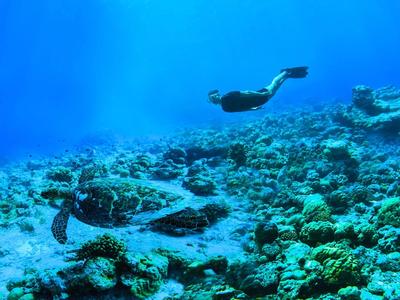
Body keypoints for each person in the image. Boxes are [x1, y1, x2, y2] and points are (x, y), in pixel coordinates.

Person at [208, 66, 308, 112]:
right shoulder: (225, 109)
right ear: (212, 101)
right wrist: (252, 109)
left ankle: (285, 72)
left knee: (273, 85)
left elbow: (246, 93)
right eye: (212, 98)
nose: (214, 97)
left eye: (214, 95)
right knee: (275, 89)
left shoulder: (228, 96)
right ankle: (286, 76)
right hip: (258, 102)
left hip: (258, 96)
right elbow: (240, 109)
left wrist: (261, 94)